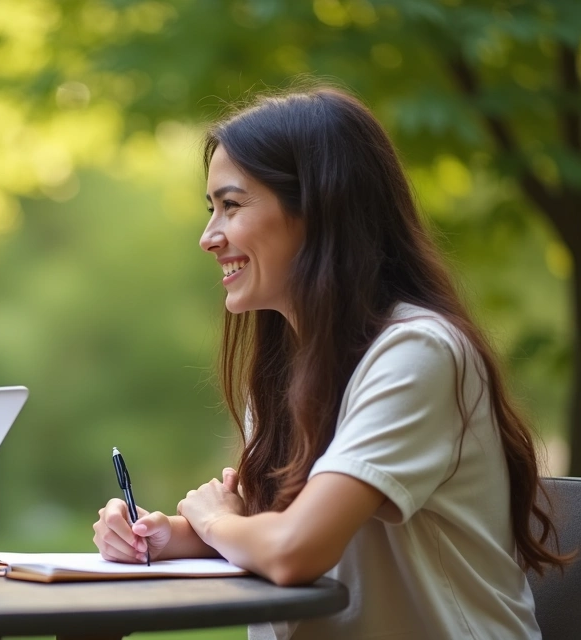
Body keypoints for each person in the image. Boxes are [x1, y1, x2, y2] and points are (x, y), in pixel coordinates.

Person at [92, 87, 570, 639]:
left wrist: (216, 519)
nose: (208, 237)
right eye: (211, 209)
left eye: (232, 205)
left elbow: (295, 549)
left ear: (316, 211)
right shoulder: (288, 370)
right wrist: (161, 537)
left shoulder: (417, 355)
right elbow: (277, 525)